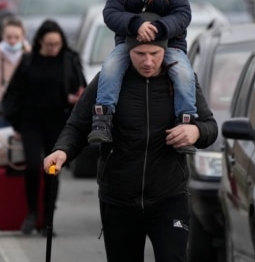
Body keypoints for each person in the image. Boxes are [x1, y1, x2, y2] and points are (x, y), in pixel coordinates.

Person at [43, 27, 218, 262]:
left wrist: (196, 131)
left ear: (165, 52)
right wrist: (61, 151)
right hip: (119, 197)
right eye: (140, 54)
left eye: (155, 54)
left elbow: (210, 127)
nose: (148, 61)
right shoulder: (108, 81)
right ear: (127, 52)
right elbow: (77, 125)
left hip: (169, 196)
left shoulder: (181, 81)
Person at [89, 0, 197, 155]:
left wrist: (159, 28)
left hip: (171, 44)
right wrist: (134, 23)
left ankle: (186, 121)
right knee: (110, 68)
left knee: (184, 74)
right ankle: (103, 118)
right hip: (128, 44)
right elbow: (110, 14)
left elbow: (183, 14)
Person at [1, 19, 86, 236]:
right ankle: (31, 212)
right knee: (31, 167)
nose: (53, 49)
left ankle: (48, 219)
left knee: (51, 170)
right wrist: (15, 123)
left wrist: (76, 97)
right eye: (49, 44)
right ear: (39, 41)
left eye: (57, 44)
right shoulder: (29, 61)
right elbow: (13, 93)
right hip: (30, 121)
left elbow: (82, 89)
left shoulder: (69, 59)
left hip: (58, 121)